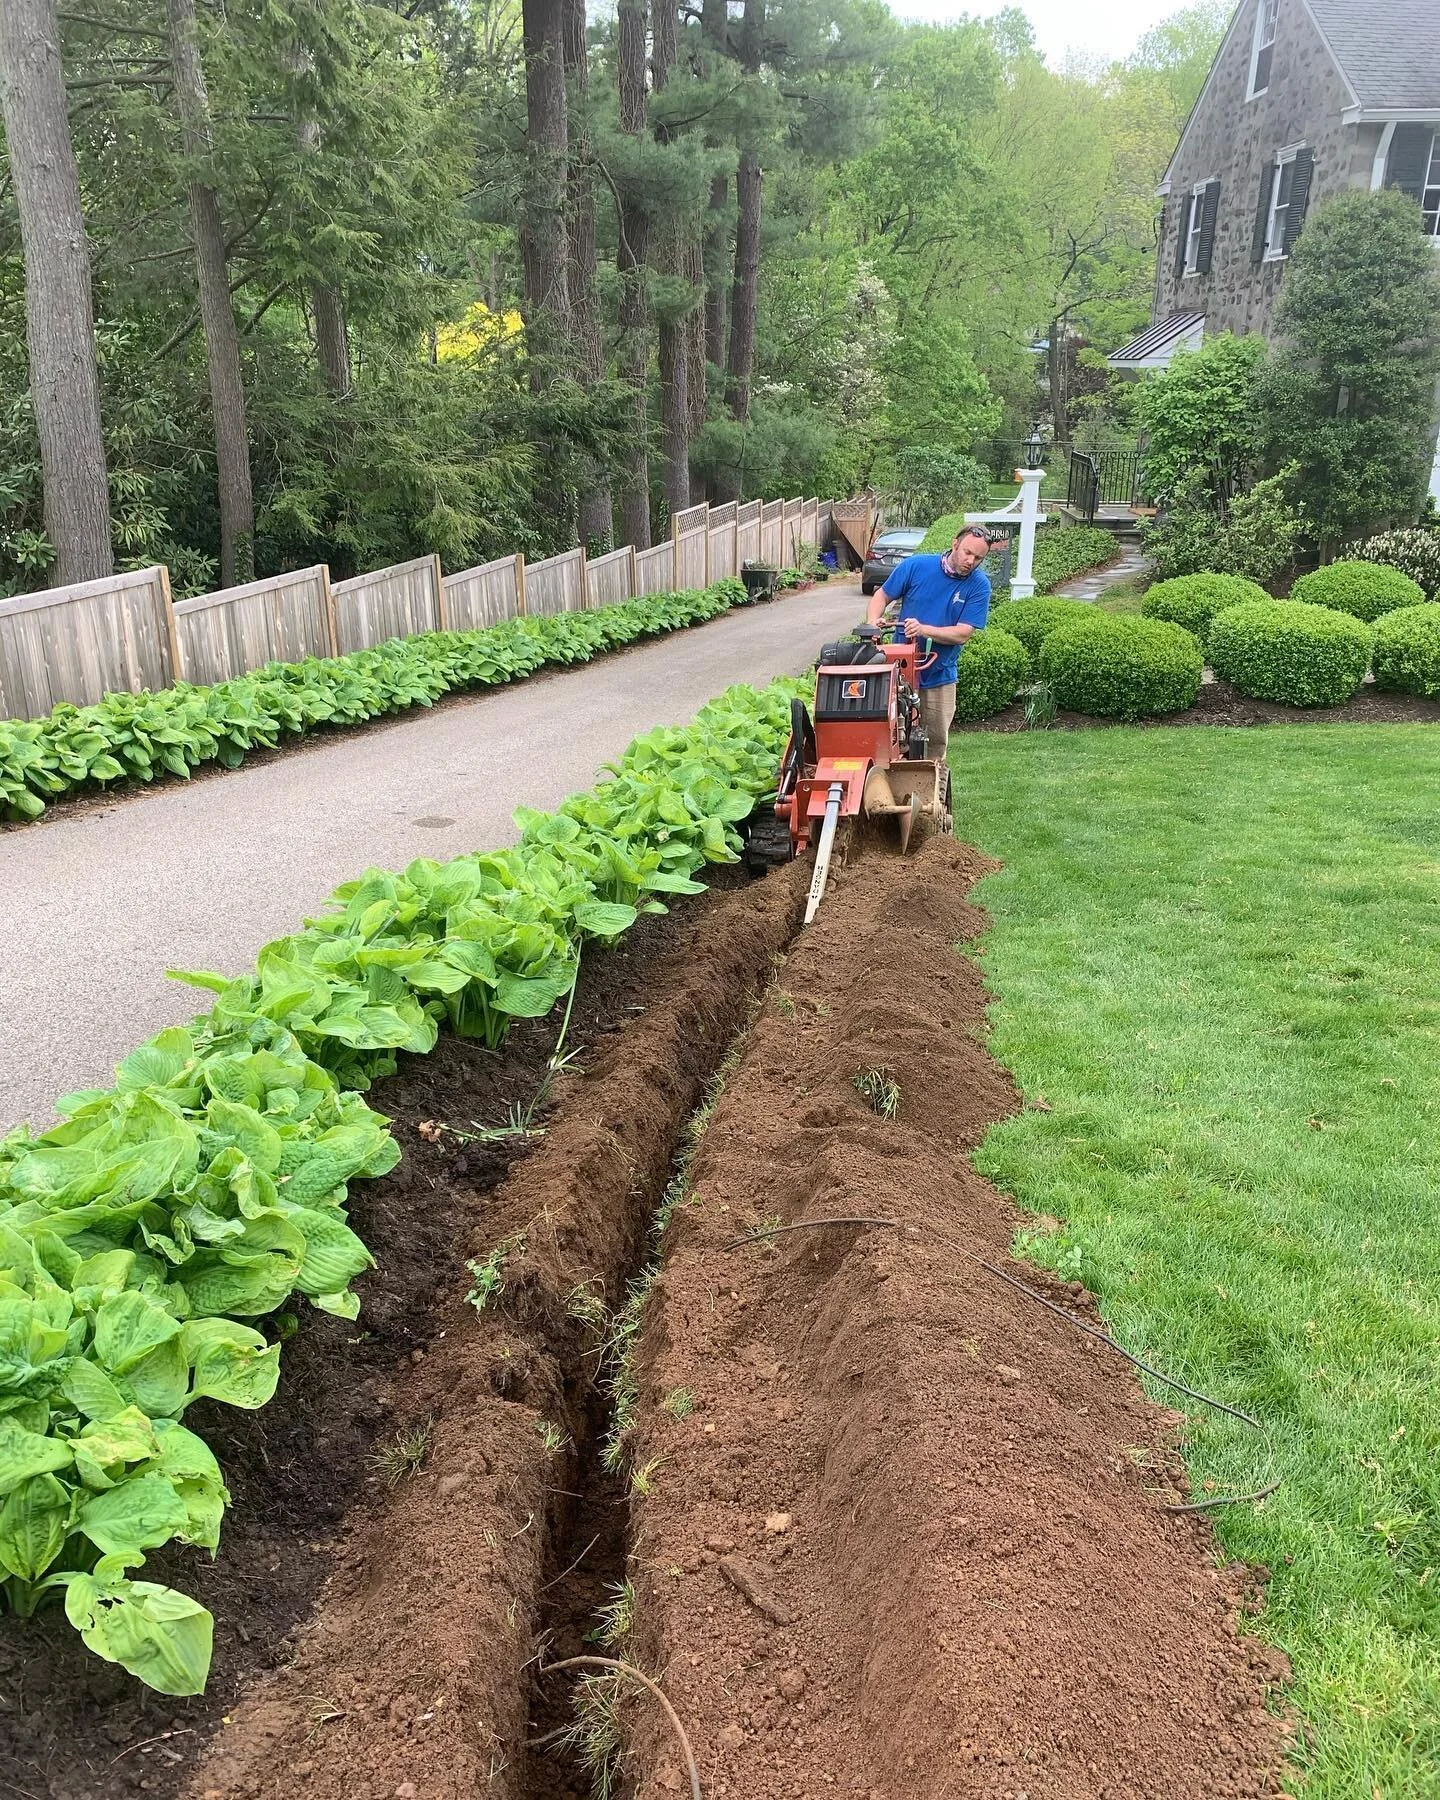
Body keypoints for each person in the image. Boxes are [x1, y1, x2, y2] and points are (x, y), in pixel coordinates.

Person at [865, 524, 992, 753]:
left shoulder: (979, 585)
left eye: (978, 558)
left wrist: (924, 629)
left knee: (934, 746)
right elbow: (882, 596)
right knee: (893, 740)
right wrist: (874, 621)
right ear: (955, 544)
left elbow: (963, 633)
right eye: (967, 552)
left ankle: (932, 785)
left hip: (939, 677)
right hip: (899, 674)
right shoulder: (916, 566)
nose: (971, 561)